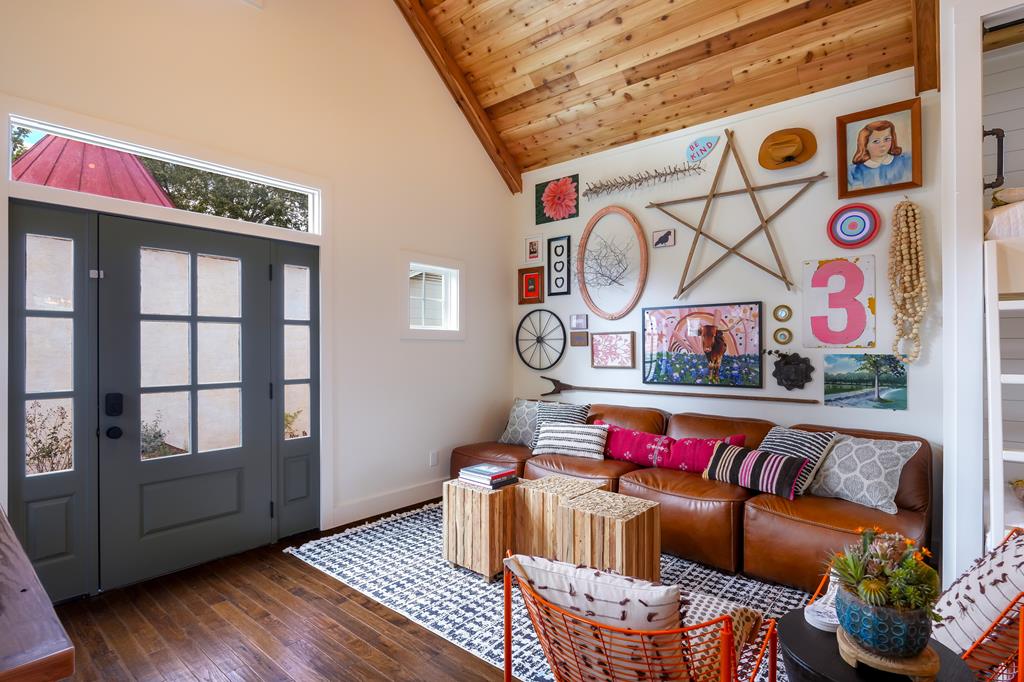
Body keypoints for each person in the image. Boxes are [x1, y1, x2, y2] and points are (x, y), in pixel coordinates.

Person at [847, 120, 912, 190]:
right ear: (865, 145)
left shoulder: (906, 160)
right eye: (876, 141)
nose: (882, 145)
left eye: (887, 139)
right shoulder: (854, 171)